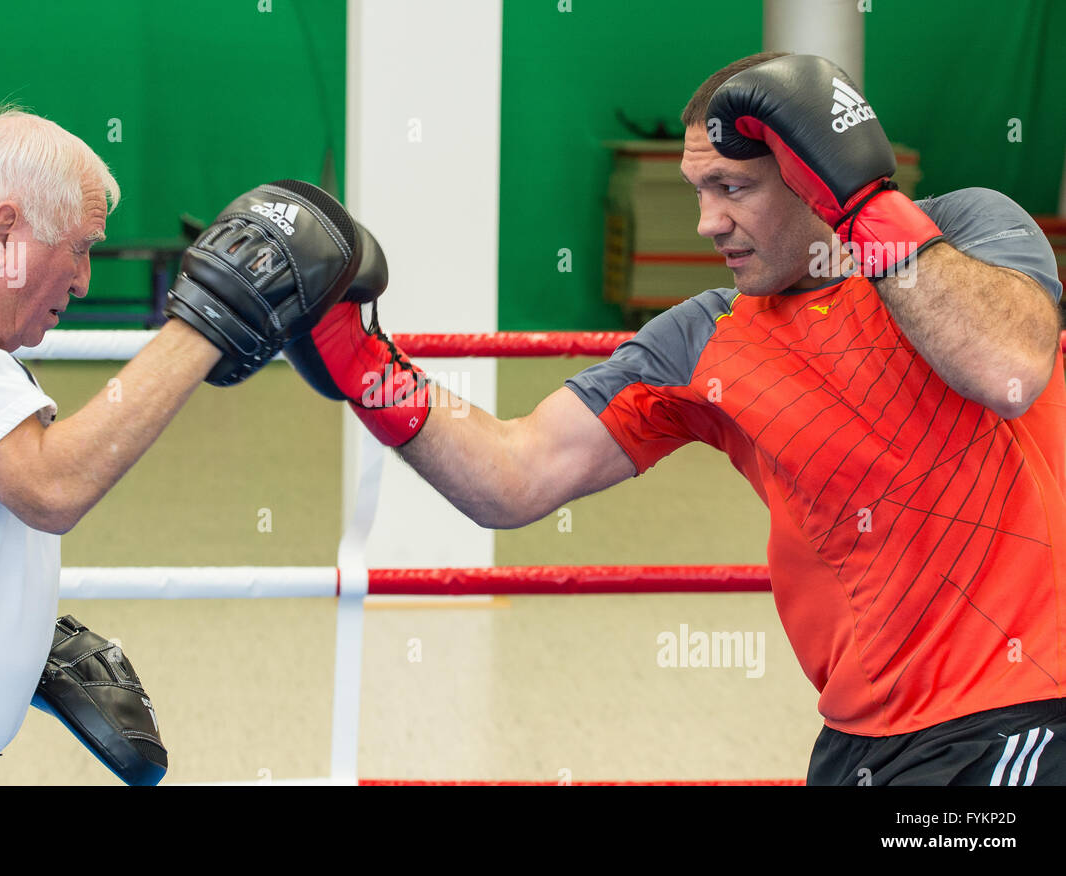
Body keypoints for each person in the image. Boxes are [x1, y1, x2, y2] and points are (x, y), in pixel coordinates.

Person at [284, 52, 1066, 786]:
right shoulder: (705, 334)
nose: (706, 222)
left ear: (813, 175)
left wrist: (868, 203)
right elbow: (515, 475)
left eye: (732, 188)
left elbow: (1009, 368)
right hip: (858, 738)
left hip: (1020, 715)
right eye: (699, 191)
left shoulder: (964, 231)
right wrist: (363, 367)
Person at [0, 108, 378, 784]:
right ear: (3, 231)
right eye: (80, 246)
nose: (85, 280)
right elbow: (51, 485)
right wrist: (212, 318)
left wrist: (15, 636)